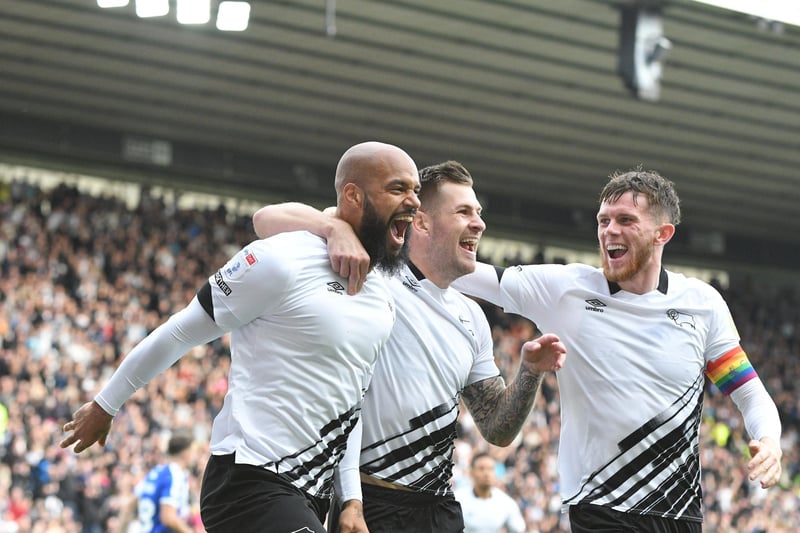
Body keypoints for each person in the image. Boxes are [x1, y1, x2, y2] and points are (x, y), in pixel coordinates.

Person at [60, 141, 422, 533]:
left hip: (310, 494)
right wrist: (105, 404)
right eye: (399, 188)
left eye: (416, 190)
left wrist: (352, 502)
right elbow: (181, 330)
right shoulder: (282, 259)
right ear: (352, 195)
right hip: (248, 480)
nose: (414, 201)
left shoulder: (383, 295)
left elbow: (351, 404)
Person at [449, 168, 783, 532]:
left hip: (680, 514)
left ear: (663, 234)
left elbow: (750, 394)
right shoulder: (566, 290)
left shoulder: (703, 304)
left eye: (626, 220)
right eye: (603, 220)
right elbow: (466, 273)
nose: (610, 231)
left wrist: (769, 441)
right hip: (600, 508)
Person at [252, 160, 566, 532]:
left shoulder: (472, 316)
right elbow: (266, 219)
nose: (479, 223)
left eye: (478, 213)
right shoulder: (373, 272)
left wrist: (529, 373)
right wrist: (333, 227)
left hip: (439, 508)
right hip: (372, 503)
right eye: (463, 212)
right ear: (421, 222)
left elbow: (498, 429)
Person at [119, 433, 196, 533]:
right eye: (193, 451)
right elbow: (168, 517)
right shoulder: (175, 474)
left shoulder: (155, 472)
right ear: (186, 453)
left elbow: (129, 505)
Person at [454, 452, 525, 533]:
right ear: (471, 472)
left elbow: (519, 529)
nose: (486, 473)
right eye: (481, 468)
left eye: (490, 469)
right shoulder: (457, 499)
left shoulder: (506, 503)